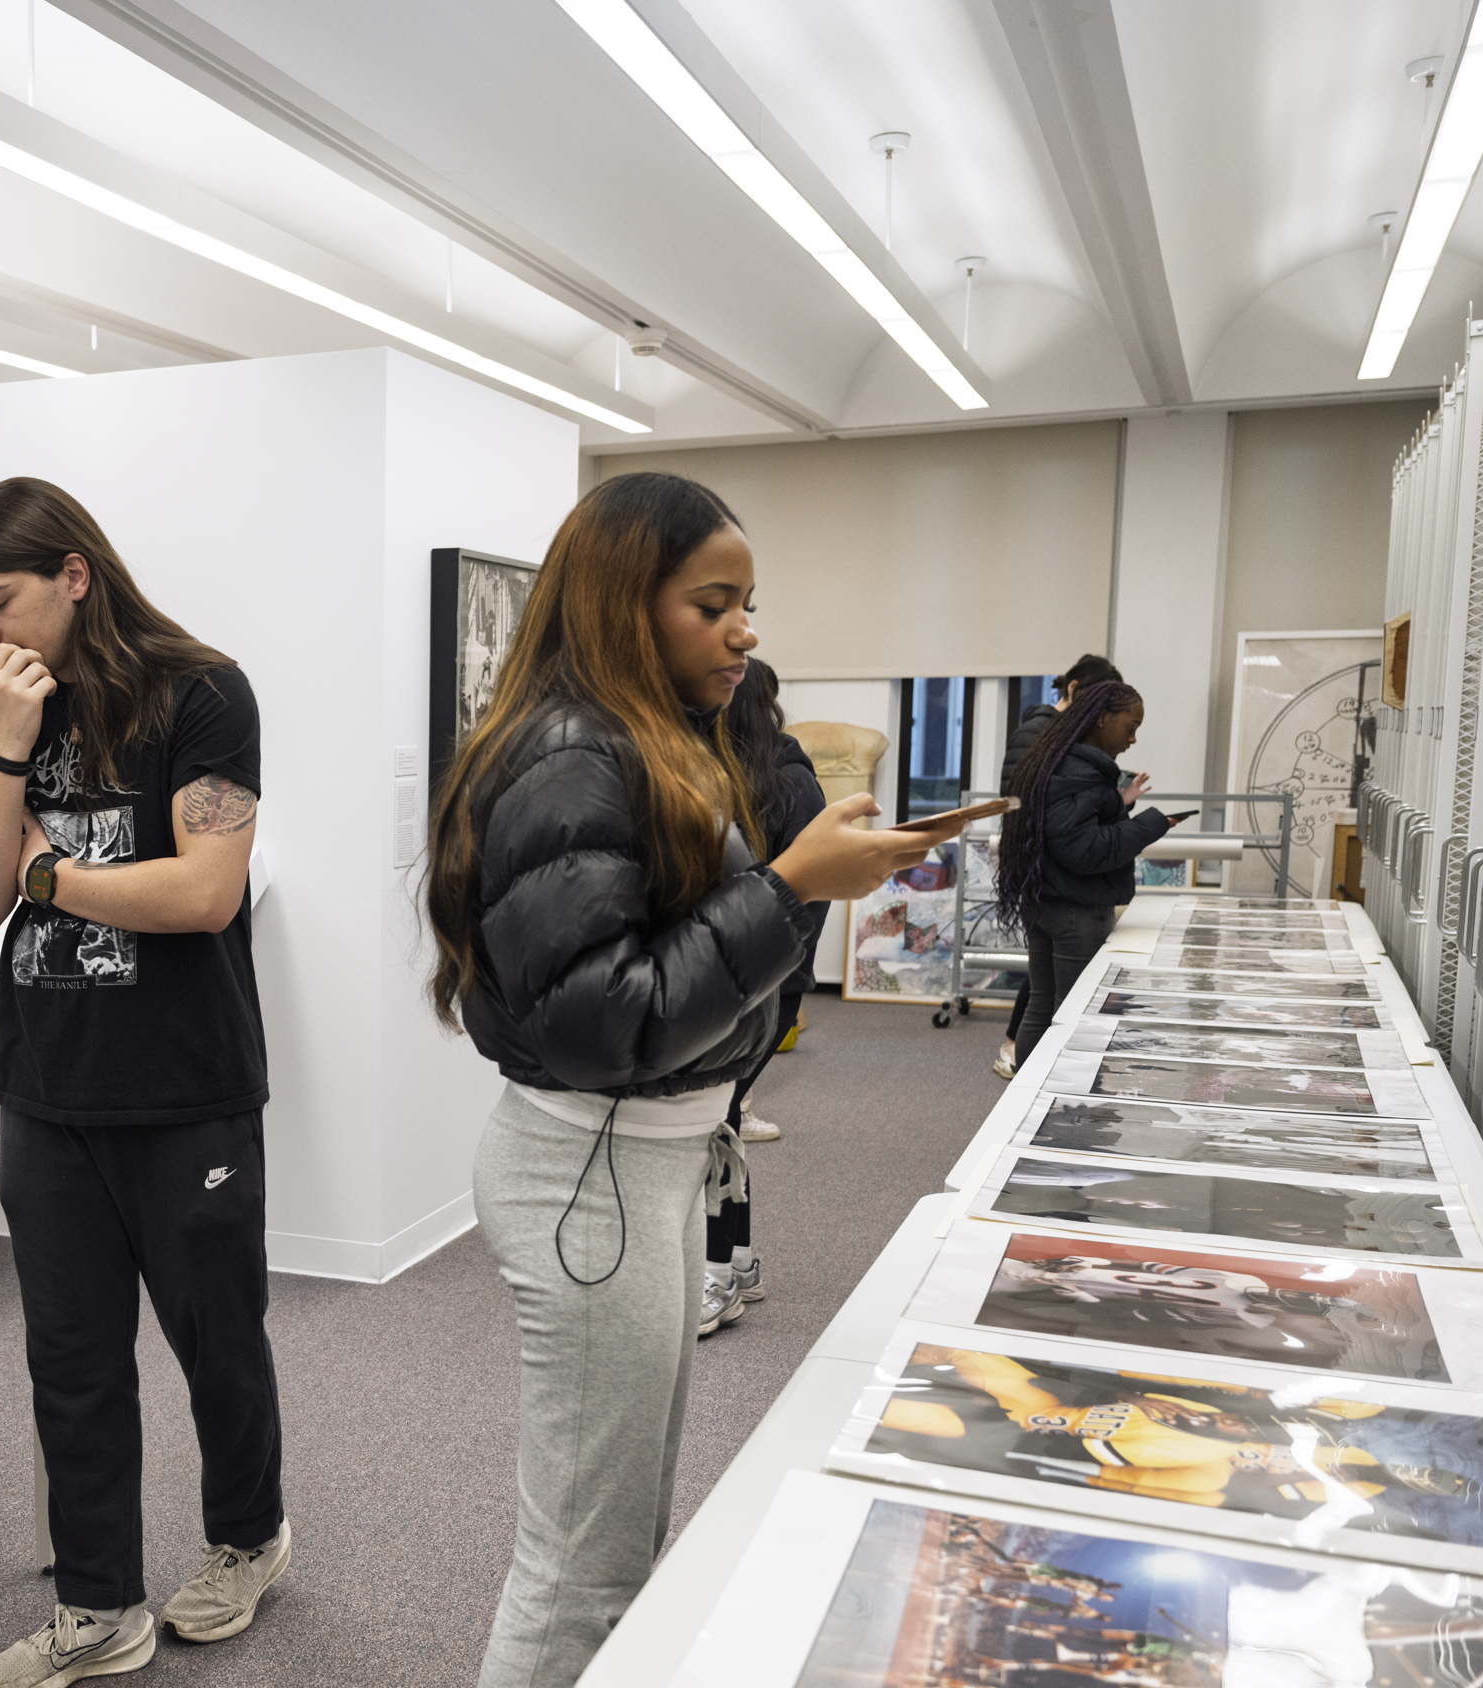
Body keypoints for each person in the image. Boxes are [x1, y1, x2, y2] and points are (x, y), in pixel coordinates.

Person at [422, 472, 960, 1685]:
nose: (746, 630)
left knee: (615, 1542)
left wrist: (798, 878)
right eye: (713, 603)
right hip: (590, 1174)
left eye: (748, 603)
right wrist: (790, 888)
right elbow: (606, 1024)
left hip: (637, 1166)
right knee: (580, 1566)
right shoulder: (572, 758)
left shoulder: (643, 742)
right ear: (626, 604)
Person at [0, 477, 283, 1686]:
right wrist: (6, 753)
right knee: (71, 1359)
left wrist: (55, 877)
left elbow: (203, 892)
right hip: (45, 1084)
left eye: (0, 601)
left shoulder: (201, 691)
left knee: (217, 1339)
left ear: (73, 573)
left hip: (188, 1085)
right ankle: (98, 1607)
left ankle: (249, 1535)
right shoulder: (3, 710)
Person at [699, 656, 829, 1337]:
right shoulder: (728, 778)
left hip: (762, 987)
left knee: (707, 1128)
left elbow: (804, 905)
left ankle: (715, 1275)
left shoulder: (792, 786)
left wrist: (770, 980)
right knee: (720, 1126)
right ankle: (736, 1261)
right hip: (731, 982)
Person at [1000, 680, 1192, 1066]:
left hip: (1044, 900)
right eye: (1130, 726)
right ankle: (1062, 1106)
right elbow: (1084, 851)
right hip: (1075, 910)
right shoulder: (1082, 771)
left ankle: (1030, 1099)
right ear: (1103, 718)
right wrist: (1152, 824)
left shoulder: (1055, 761)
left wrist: (1118, 808)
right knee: (1073, 1012)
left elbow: (1069, 833)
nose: (1133, 738)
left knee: (1042, 1006)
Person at [994, 654, 1121, 1076]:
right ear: (1074, 692)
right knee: (1059, 1003)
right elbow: (1049, 814)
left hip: (1040, 875)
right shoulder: (1046, 733)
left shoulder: (1042, 732)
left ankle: (1023, 1075)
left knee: (1044, 997)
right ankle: (1032, 1077)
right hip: (1051, 878)